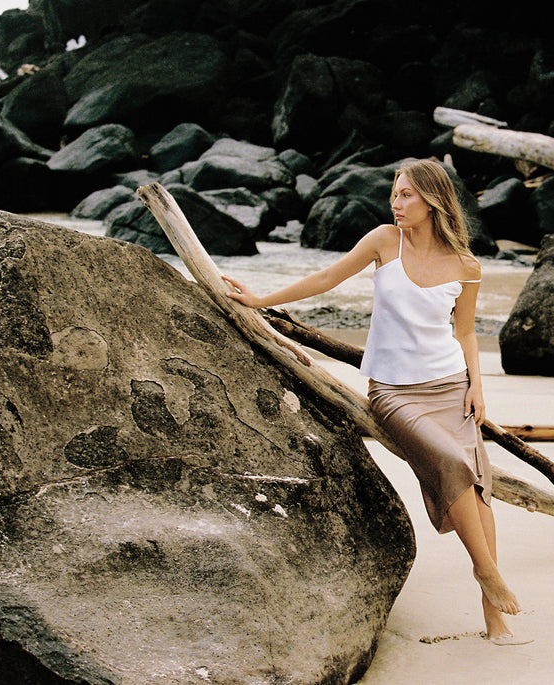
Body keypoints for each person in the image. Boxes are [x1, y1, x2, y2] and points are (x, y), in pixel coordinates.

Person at [222, 159, 529, 646]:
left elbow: (465, 332)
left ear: (432, 200)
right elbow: (326, 279)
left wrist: (477, 384)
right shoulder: (385, 241)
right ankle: (487, 572)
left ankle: (494, 616)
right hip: (393, 390)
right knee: (453, 462)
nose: (396, 202)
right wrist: (260, 301)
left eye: (406, 195)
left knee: (479, 487)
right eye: (395, 193)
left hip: (451, 385)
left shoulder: (467, 265)